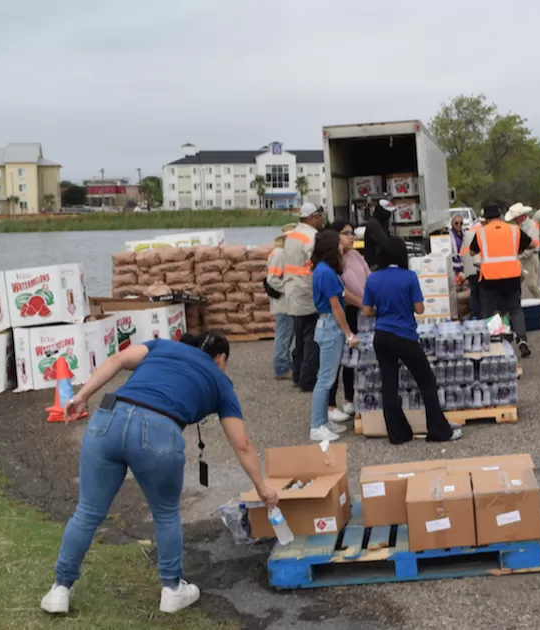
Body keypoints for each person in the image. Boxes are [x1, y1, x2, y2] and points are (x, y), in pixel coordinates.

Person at [41, 333, 278, 616]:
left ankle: (59, 589)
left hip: (109, 417)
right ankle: (171, 588)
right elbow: (242, 444)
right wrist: (261, 487)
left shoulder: (162, 346)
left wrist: (81, 396)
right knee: (165, 513)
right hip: (159, 430)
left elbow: (117, 359)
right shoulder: (220, 380)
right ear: (221, 359)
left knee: (88, 511)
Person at [363, 237, 462, 444]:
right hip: (405, 335)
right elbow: (419, 308)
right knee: (426, 380)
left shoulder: (372, 279)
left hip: (381, 335)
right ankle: (437, 430)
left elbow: (366, 311)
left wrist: (383, 311)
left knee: (389, 384)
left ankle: (398, 434)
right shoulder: (408, 277)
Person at [310, 230, 359, 442]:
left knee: (327, 377)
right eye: (339, 245)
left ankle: (323, 421)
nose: (342, 248)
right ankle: (316, 425)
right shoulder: (327, 273)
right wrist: (348, 333)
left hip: (328, 324)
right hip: (330, 324)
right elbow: (336, 307)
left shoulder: (324, 270)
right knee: (325, 379)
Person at [470, 202, 535, 358]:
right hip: (512, 277)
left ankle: (497, 343)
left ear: (485, 218)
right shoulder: (513, 229)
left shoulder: (481, 232)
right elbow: (532, 244)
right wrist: (517, 249)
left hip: (489, 278)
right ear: (500, 216)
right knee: (515, 309)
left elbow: (472, 252)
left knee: (490, 312)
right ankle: (521, 338)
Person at [327, 220, 369, 421]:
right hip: (341, 313)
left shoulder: (355, 255)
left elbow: (368, 276)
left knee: (353, 356)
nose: (351, 236)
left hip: (358, 312)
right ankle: (330, 403)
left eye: (352, 233)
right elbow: (340, 292)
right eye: (346, 233)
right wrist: (361, 302)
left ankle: (350, 398)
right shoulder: (332, 261)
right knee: (336, 358)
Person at [283, 203, 324, 391]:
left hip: (292, 292)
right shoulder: (311, 237)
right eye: (320, 216)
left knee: (299, 339)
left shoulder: (291, 235)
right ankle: (307, 380)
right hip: (306, 292)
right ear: (312, 217)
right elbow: (314, 264)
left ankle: (298, 375)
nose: (321, 220)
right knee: (312, 339)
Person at [506, 202, 540, 317]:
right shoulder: (519, 226)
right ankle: (512, 307)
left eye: (515, 218)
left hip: (529, 258)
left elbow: (533, 245)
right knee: (515, 284)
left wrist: (520, 255)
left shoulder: (531, 225)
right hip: (522, 257)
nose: (514, 220)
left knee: (532, 284)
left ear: (521, 216)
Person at [266, 224, 297, 380]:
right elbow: (272, 279)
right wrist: (290, 288)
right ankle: (281, 367)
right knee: (284, 336)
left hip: (289, 302)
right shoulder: (279, 254)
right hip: (284, 303)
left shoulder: (286, 253)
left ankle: (286, 364)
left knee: (287, 336)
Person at [363, 199, 396, 269]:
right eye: (388, 212)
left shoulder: (382, 223)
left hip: (381, 262)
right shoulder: (374, 224)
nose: (389, 215)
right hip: (375, 264)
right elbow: (385, 241)